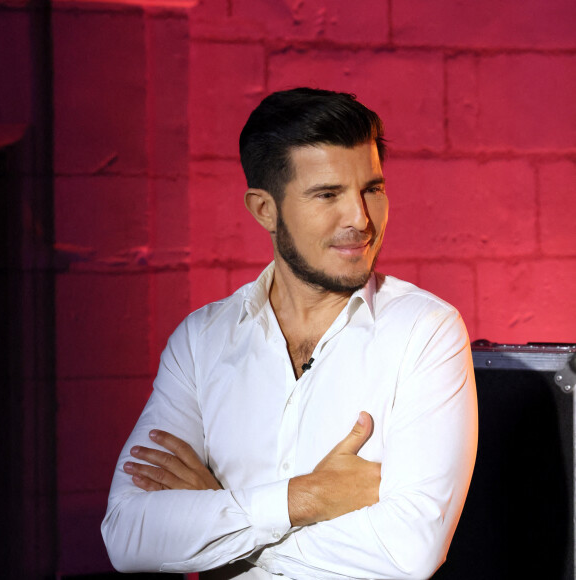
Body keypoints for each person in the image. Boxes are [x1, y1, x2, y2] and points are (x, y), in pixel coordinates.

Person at [101, 88, 478, 580]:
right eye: (327, 195)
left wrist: (218, 523)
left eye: (372, 189)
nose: (360, 219)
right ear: (264, 210)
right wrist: (308, 497)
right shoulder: (201, 341)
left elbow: (410, 552)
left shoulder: (424, 331)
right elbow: (129, 536)